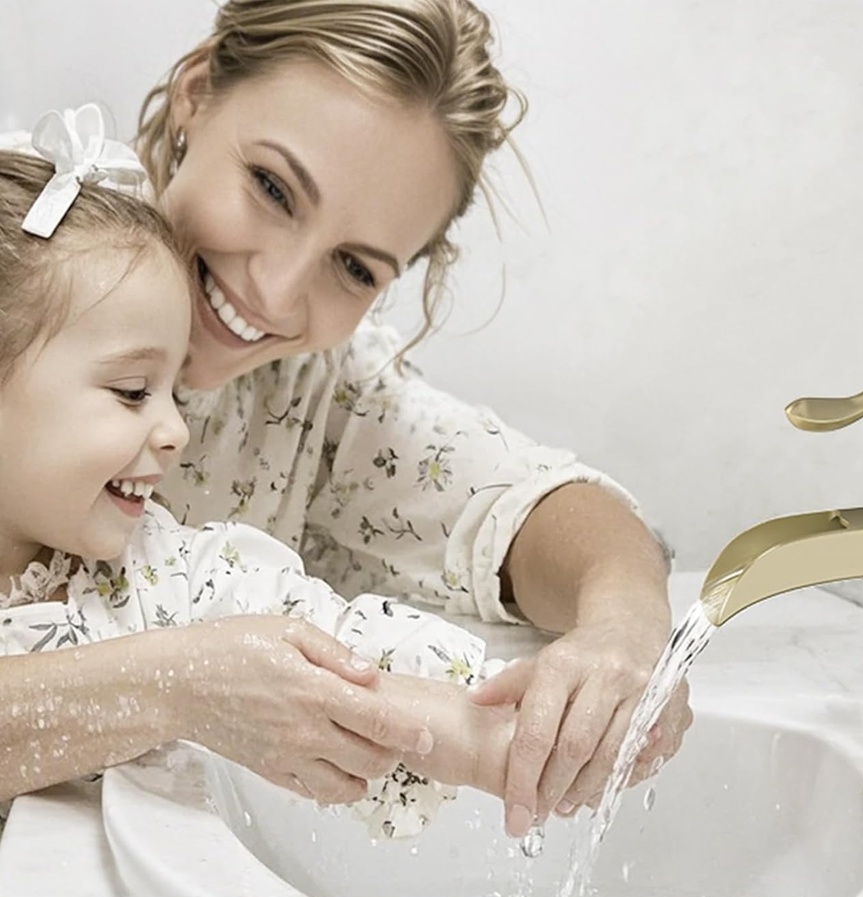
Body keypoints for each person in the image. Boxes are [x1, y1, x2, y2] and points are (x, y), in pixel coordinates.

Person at [7, 0, 692, 840]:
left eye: (354, 267)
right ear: (195, 92)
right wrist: (173, 686)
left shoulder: (317, 392)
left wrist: (623, 631)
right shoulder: (21, 254)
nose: (278, 288)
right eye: (271, 188)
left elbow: (526, 501)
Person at [0, 139, 516, 838]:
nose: (176, 429)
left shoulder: (164, 575)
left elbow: (336, 657)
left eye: (171, 388)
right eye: (131, 392)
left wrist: (494, 740)